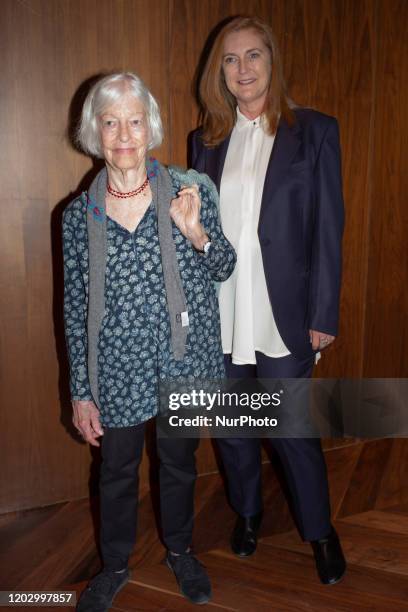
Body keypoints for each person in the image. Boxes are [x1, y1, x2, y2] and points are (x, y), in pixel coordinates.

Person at [63, 72, 236, 610]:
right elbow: (73, 308)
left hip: (181, 360)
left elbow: (225, 267)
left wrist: (196, 234)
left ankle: (181, 552)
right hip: (116, 367)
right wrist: (80, 391)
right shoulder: (78, 216)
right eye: (110, 122)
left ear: (150, 127)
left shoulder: (190, 191)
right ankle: (114, 565)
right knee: (115, 472)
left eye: (134, 121)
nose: (123, 135)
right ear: (94, 131)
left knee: (179, 463)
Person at [189, 15, 346, 585]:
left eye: (253, 56)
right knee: (232, 426)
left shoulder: (316, 131)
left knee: (292, 428)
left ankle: (320, 531)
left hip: (285, 313)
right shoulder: (204, 142)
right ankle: (249, 514)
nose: (243, 69)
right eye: (231, 60)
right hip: (222, 311)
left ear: (271, 61)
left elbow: (329, 230)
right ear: (220, 72)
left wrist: (323, 312)